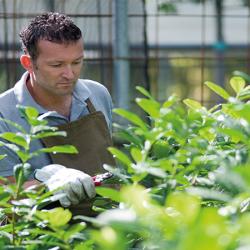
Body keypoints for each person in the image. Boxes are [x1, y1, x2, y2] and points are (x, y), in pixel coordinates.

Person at [0, 12, 115, 215]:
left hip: (106, 228)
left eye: (77, 62)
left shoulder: (98, 94)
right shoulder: (4, 114)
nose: (70, 74)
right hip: (43, 236)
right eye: (57, 65)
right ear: (28, 63)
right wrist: (48, 186)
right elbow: (5, 195)